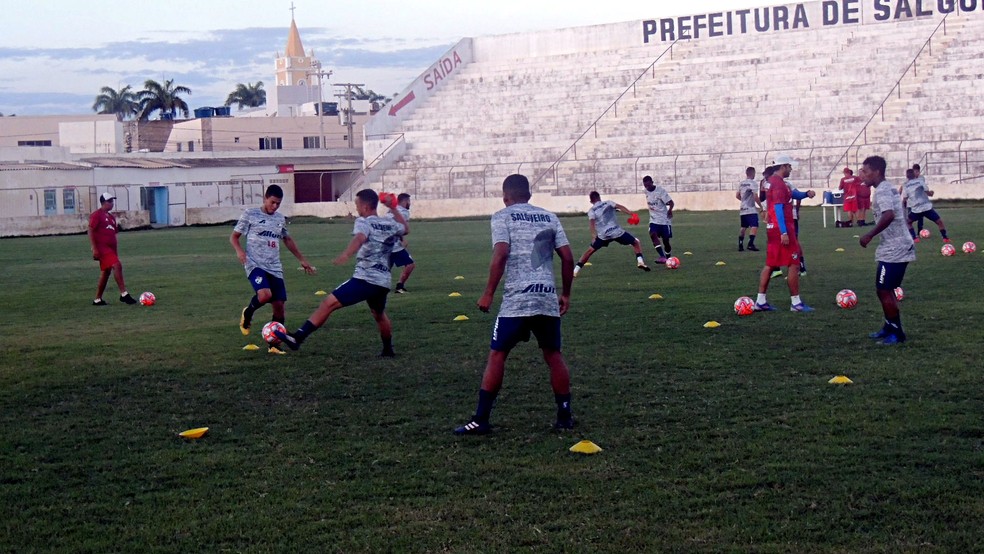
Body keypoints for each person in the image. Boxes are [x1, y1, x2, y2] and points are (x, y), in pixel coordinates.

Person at [454, 174, 575, 435]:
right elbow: (567, 258)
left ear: (505, 197)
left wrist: (488, 293)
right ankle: (565, 416)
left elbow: (501, 253)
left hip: (517, 300)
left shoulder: (502, 216)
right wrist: (565, 294)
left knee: (498, 354)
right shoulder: (549, 217)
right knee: (553, 354)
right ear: (529, 195)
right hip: (545, 297)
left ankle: (481, 420)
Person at [274, 189, 408, 357]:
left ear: (365, 206)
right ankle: (388, 349)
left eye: (357, 205)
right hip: (383, 281)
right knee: (379, 314)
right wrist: (393, 208)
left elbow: (360, 238)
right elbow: (405, 228)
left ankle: (298, 338)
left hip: (366, 279)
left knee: (328, 303)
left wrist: (347, 253)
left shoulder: (364, 222)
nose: (356, 209)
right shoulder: (389, 223)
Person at [231, 185, 315, 354]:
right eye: (272, 202)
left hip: (274, 266)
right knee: (265, 295)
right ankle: (248, 312)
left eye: (278, 203)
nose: (275, 206)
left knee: (279, 306)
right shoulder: (250, 214)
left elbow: (287, 239)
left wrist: (302, 260)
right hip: (254, 263)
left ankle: (274, 346)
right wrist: (240, 251)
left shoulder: (279, 219)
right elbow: (234, 237)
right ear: (265, 198)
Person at [859, 156, 915, 345]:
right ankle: (889, 327)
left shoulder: (882, 190)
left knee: (883, 290)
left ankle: (897, 333)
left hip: (895, 248)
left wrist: (870, 234)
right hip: (894, 245)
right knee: (884, 289)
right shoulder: (886, 187)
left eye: (865, 171)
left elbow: (889, 215)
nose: (862, 175)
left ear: (876, 172)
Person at [753, 154, 816, 312]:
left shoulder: (774, 182)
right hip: (782, 228)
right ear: (783, 167)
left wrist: (806, 194)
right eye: (789, 166)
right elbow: (779, 208)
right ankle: (796, 303)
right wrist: (784, 232)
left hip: (772, 228)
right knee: (794, 263)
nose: (791, 169)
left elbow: (792, 195)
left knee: (770, 264)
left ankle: (760, 301)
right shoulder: (779, 184)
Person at [573, 191, 650, 276]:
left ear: (591, 201)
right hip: (616, 232)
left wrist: (594, 236)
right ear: (599, 197)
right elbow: (620, 207)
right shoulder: (608, 203)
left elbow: (592, 223)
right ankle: (640, 262)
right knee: (635, 242)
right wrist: (631, 214)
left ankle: (575, 271)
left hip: (603, 235)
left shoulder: (591, 210)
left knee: (589, 251)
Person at [88, 192, 138, 306]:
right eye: (109, 201)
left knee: (106, 272)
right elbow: (90, 230)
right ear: (103, 202)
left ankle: (97, 299)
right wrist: (94, 248)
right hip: (102, 247)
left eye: (112, 201)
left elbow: (113, 233)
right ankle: (124, 294)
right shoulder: (96, 215)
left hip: (111, 248)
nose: (112, 203)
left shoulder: (111, 217)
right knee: (117, 265)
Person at [902, 167, 950, 244]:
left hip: (916, 210)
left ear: (907, 176)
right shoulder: (920, 181)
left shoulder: (906, 185)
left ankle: (914, 238)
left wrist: (904, 207)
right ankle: (945, 238)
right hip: (926, 207)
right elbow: (928, 193)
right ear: (914, 175)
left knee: (908, 222)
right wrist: (932, 193)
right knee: (939, 222)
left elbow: (905, 198)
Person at [643, 175, 675, 263]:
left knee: (666, 241)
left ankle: (668, 258)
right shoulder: (645, 191)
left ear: (652, 182)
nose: (647, 187)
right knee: (652, 234)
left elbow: (671, 202)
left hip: (664, 220)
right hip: (654, 220)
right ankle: (662, 256)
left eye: (648, 185)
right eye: (645, 185)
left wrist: (670, 210)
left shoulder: (660, 191)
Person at [390, 193, 416, 293]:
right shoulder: (404, 212)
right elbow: (401, 229)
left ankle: (373, 288)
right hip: (394, 246)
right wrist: (403, 236)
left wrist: (401, 239)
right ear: (405, 201)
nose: (410, 203)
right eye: (409, 201)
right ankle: (399, 287)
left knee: (384, 269)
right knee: (410, 265)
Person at [736, 166, 763, 252]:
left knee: (743, 227)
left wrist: (744, 201)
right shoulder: (753, 183)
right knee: (754, 226)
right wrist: (761, 206)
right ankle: (750, 244)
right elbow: (755, 196)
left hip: (743, 208)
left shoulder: (741, 183)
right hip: (751, 209)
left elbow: (737, 195)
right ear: (753, 173)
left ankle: (740, 244)